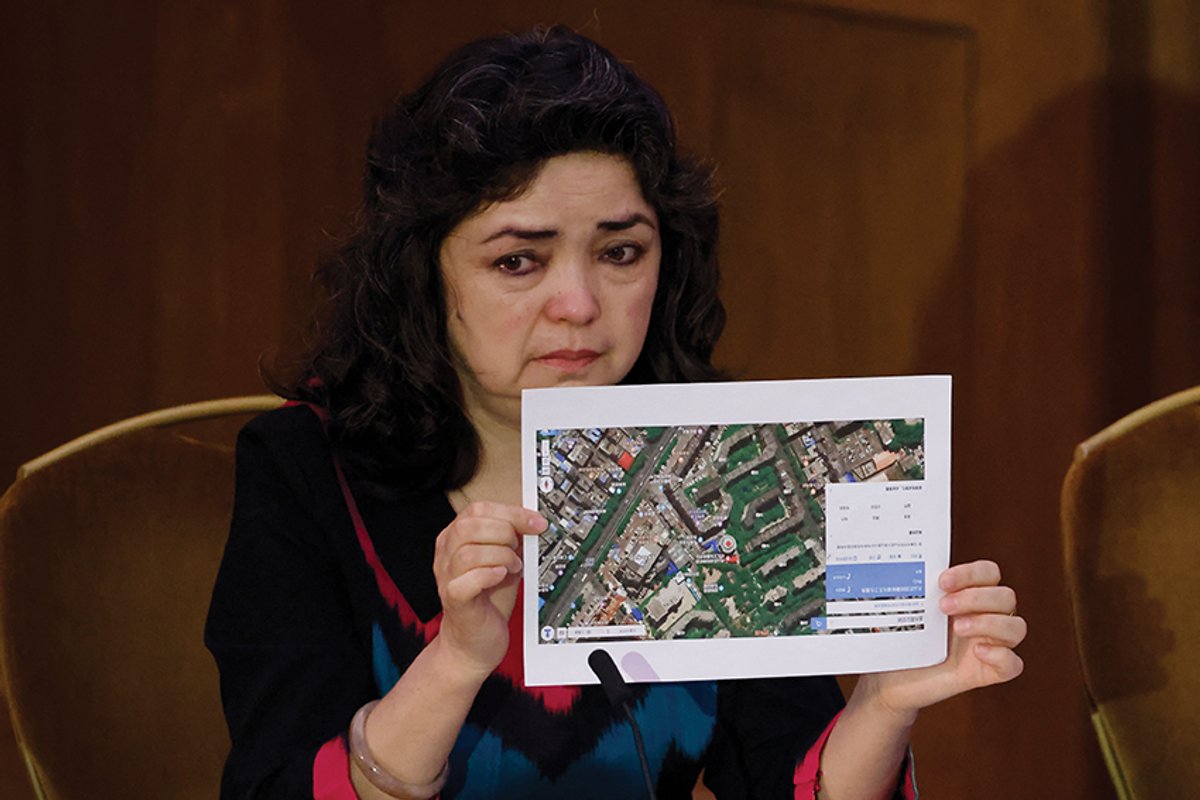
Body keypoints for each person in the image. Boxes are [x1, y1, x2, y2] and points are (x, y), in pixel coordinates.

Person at [204, 26, 1026, 800]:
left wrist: (884, 702)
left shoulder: (716, 458)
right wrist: (455, 661)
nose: (579, 303)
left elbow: (786, 777)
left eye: (620, 252)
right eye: (519, 260)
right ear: (424, 274)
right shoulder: (305, 466)